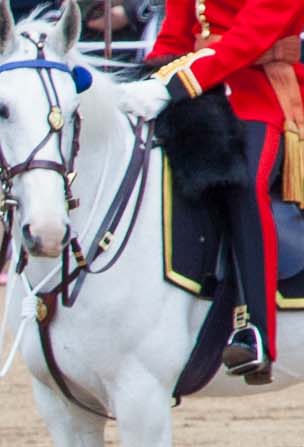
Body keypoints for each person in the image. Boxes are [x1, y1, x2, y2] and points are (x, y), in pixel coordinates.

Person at [125, 0, 301, 380]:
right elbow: (174, 35)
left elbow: (250, 38)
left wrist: (174, 84)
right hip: (202, 92)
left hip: (263, 90)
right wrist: (145, 81)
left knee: (244, 182)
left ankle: (255, 329)